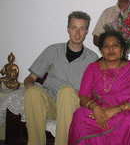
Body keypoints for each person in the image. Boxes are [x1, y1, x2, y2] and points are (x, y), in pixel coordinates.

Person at [23, 11, 99, 145]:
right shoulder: (52, 50)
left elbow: (95, 90)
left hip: (72, 105)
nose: (77, 33)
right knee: (33, 92)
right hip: (50, 104)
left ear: (87, 31)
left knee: (66, 91)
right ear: (68, 29)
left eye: (82, 29)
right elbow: (30, 78)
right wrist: (29, 88)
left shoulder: (93, 59)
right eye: (74, 28)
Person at [68, 30, 130, 145]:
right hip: (98, 112)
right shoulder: (92, 68)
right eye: (106, 46)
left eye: (115, 45)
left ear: (122, 50)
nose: (111, 49)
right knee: (80, 115)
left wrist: (116, 110)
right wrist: (96, 108)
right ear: (102, 51)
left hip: (123, 111)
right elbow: (83, 96)